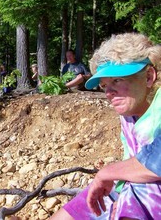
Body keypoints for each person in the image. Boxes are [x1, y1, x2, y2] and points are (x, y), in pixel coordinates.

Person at [50, 33, 161, 219]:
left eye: (117, 80)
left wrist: (107, 173)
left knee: (143, 189)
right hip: (137, 186)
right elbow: (133, 164)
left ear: (148, 77)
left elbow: (155, 162)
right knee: (77, 208)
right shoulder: (129, 114)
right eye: (103, 85)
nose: (109, 92)